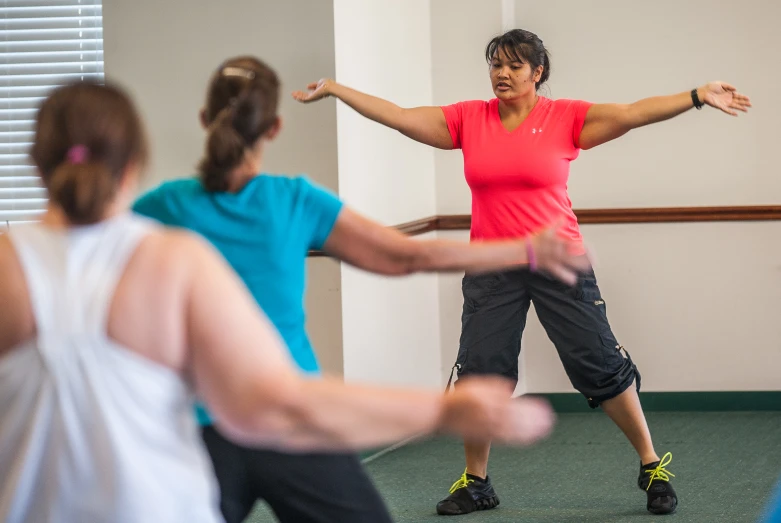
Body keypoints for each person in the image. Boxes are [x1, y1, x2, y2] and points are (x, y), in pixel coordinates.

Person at [0, 81, 569, 523]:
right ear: (134, 163)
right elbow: (273, 401)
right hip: (230, 445)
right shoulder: (170, 254)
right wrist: (441, 411)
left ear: (34, 161)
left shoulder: (157, 231)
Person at [293, 28, 752, 516]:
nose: (503, 74)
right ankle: (476, 483)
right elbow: (403, 118)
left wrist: (697, 96)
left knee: (599, 364)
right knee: (480, 373)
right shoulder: (470, 118)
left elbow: (631, 113)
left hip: (558, 260)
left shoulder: (565, 117)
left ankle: (650, 465)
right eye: (496, 65)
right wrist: (338, 89)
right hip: (491, 265)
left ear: (538, 73)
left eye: (514, 65)